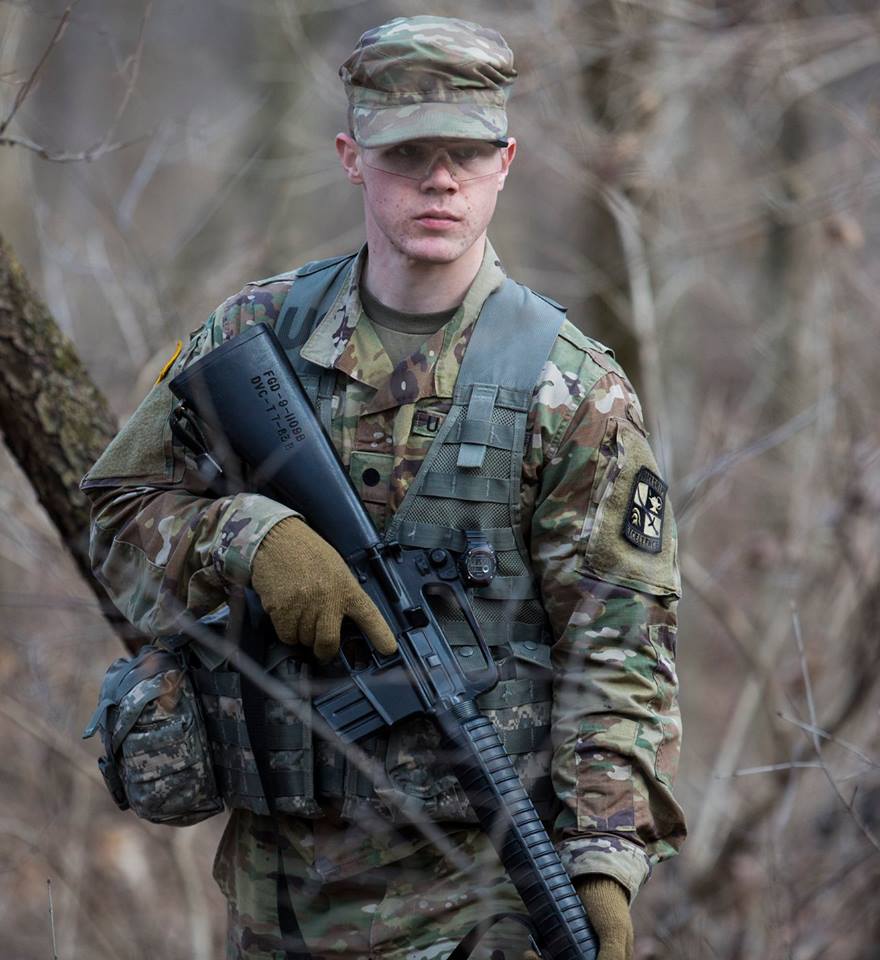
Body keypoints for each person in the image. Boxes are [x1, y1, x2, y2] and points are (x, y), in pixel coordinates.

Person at [82, 15, 685, 960]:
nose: (439, 179)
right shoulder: (257, 336)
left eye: (465, 153)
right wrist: (249, 539)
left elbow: (622, 654)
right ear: (352, 157)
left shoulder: (569, 387)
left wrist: (605, 863)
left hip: (483, 911)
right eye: (408, 154)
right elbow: (117, 517)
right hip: (279, 910)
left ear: (505, 162)